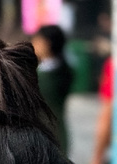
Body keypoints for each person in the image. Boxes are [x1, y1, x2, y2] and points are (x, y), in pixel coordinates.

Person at [31, 24, 73, 154]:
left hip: (43, 136)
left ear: (46, 44)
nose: (33, 43)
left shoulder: (42, 76)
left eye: (36, 40)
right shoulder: (65, 70)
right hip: (57, 133)